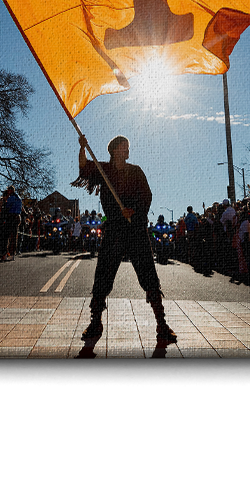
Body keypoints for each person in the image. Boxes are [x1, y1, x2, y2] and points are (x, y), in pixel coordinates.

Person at [72, 134, 177, 344]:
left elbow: (147, 195)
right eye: (124, 147)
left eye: (128, 147)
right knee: (102, 276)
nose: (128, 150)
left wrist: (134, 211)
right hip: (114, 230)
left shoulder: (136, 171)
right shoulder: (104, 170)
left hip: (136, 230)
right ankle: (95, 322)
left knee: (149, 276)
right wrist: (82, 148)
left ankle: (161, 323)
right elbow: (84, 168)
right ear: (114, 150)